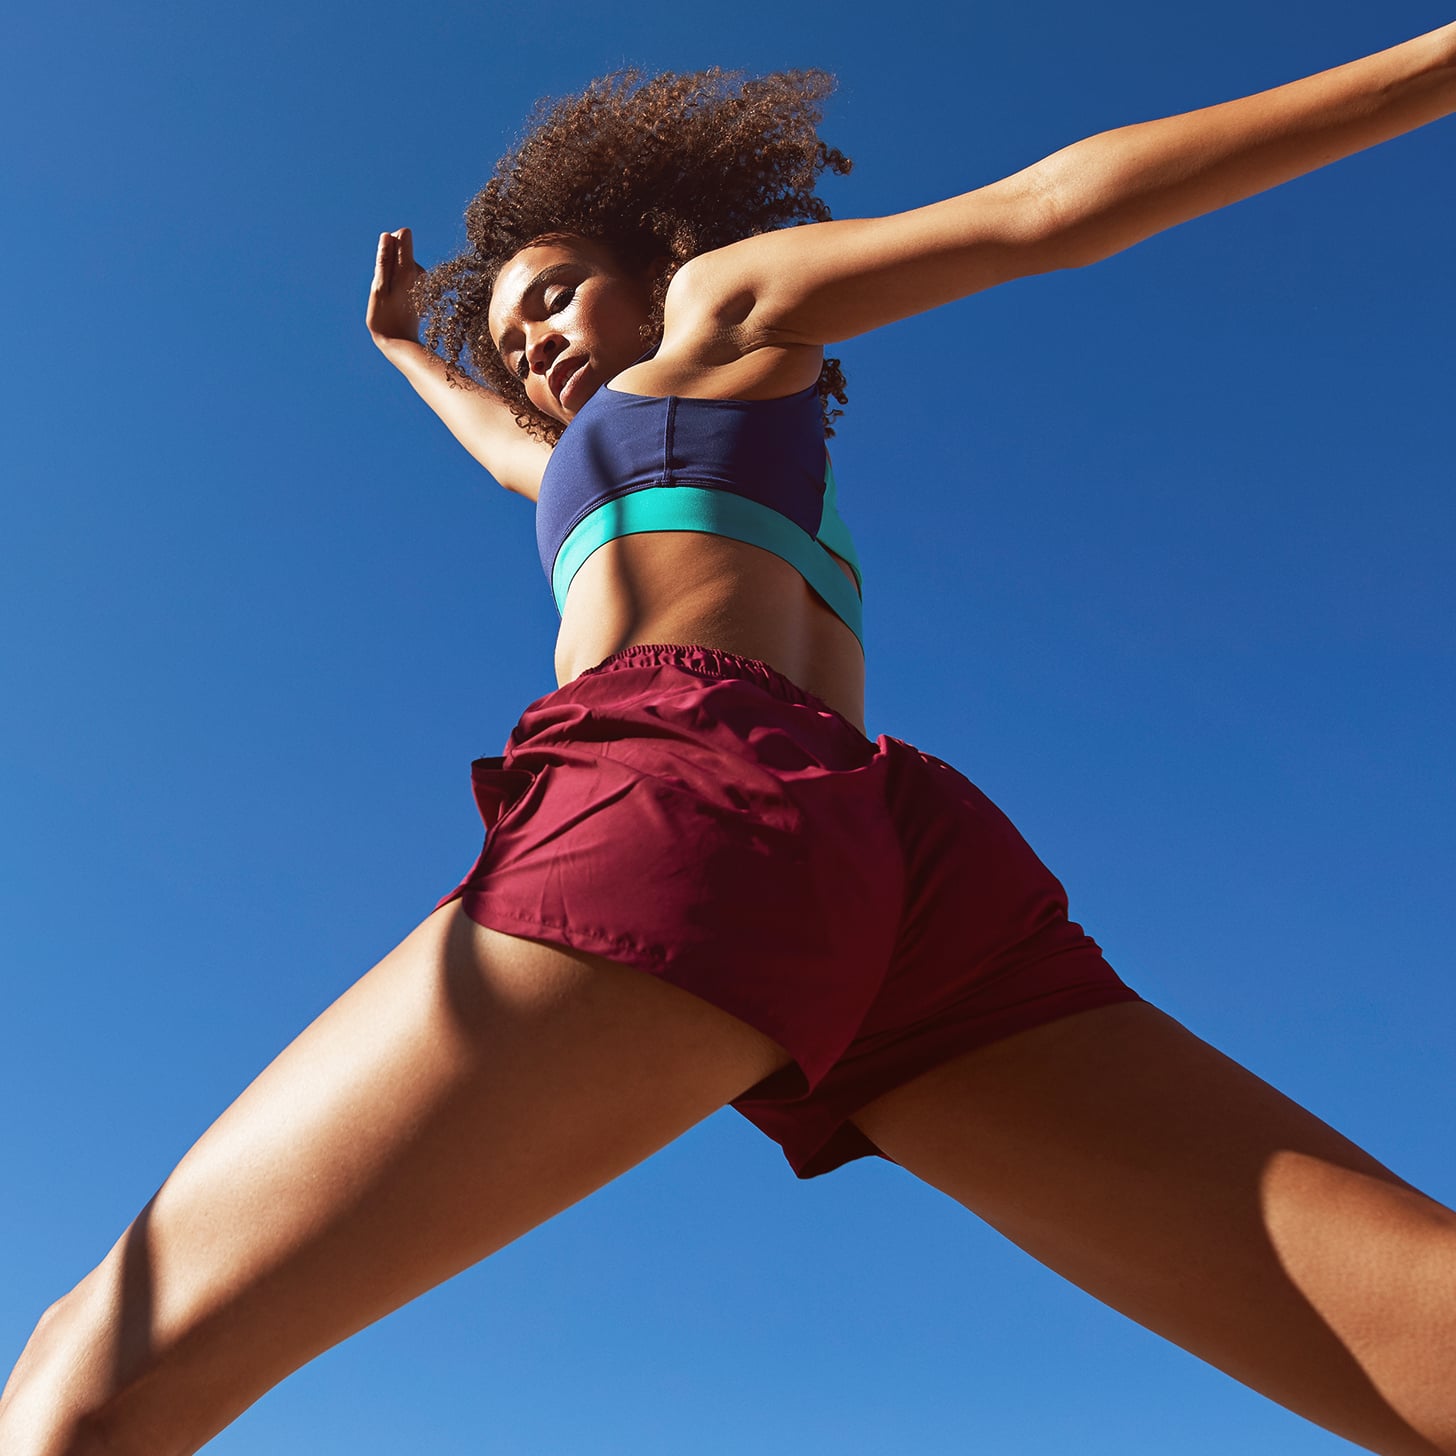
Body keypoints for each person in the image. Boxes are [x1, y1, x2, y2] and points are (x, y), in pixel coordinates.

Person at [3, 28, 1454, 1456]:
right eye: (514, 337)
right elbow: (516, 452)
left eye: (559, 297)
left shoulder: (723, 313)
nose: (537, 346)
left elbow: (1044, 214)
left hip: (691, 793)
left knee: (87, 1385)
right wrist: (406, 352)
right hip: (895, 873)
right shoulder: (621, 457)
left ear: (661, 263)